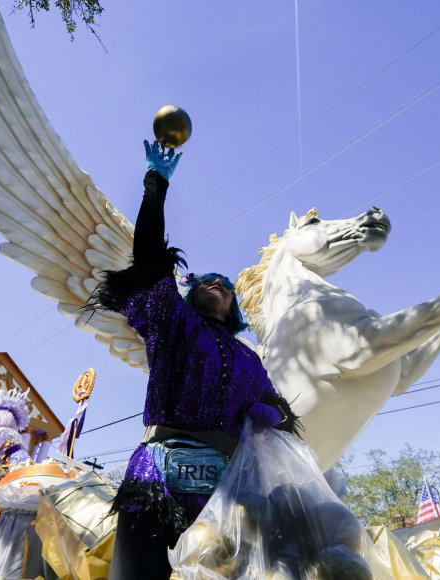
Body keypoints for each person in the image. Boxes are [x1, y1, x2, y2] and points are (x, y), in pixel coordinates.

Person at [89, 140, 297, 580]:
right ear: (190, 292)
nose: (218, 281)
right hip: (157, 477)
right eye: (207, 279)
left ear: (234, 305)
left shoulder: (249, 359)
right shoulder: (173, 323)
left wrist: (274, 413)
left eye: (226, 283)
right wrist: (155, 185)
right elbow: (148, 259)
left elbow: (280, 414)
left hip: (227, 490)